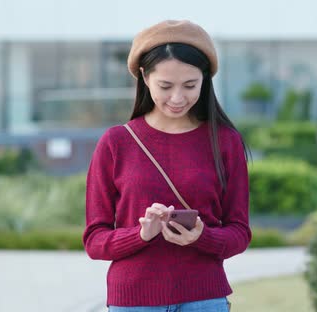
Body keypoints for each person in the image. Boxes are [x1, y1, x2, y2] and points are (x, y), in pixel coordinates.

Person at [83, 20, 251, 312]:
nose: (177, 98)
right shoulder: (116, 142)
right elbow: (95, 240)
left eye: (190, 85)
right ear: (144, 77)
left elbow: (239, 232)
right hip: (133, 301)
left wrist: (203, 236)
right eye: (165, 86)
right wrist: (140, 235)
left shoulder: (225, 141)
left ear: (205, 80)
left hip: (204, 298)